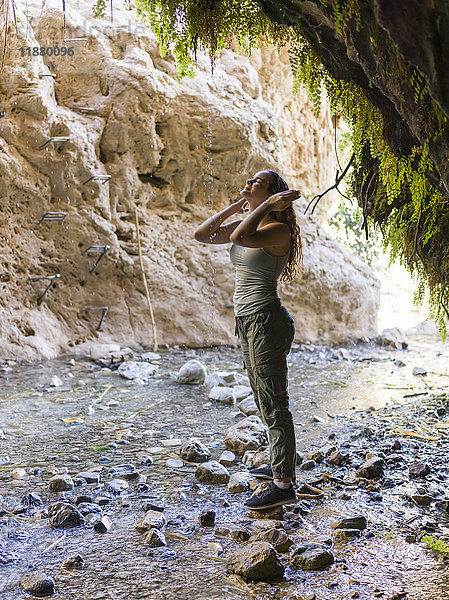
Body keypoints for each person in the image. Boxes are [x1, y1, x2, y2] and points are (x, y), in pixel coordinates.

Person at [194, 169, 303, 510]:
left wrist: (265, 206)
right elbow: (203, 234)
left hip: (266, 320)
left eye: (258, 183)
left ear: (274, 196)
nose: (249, 183)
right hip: (249, 321)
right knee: (263, 398)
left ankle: (283, 485)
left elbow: (240, 237)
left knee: (273, 401)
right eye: (250, 181)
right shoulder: (254, 220)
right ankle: (280, 465)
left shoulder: (277, 228)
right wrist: (238, 205)